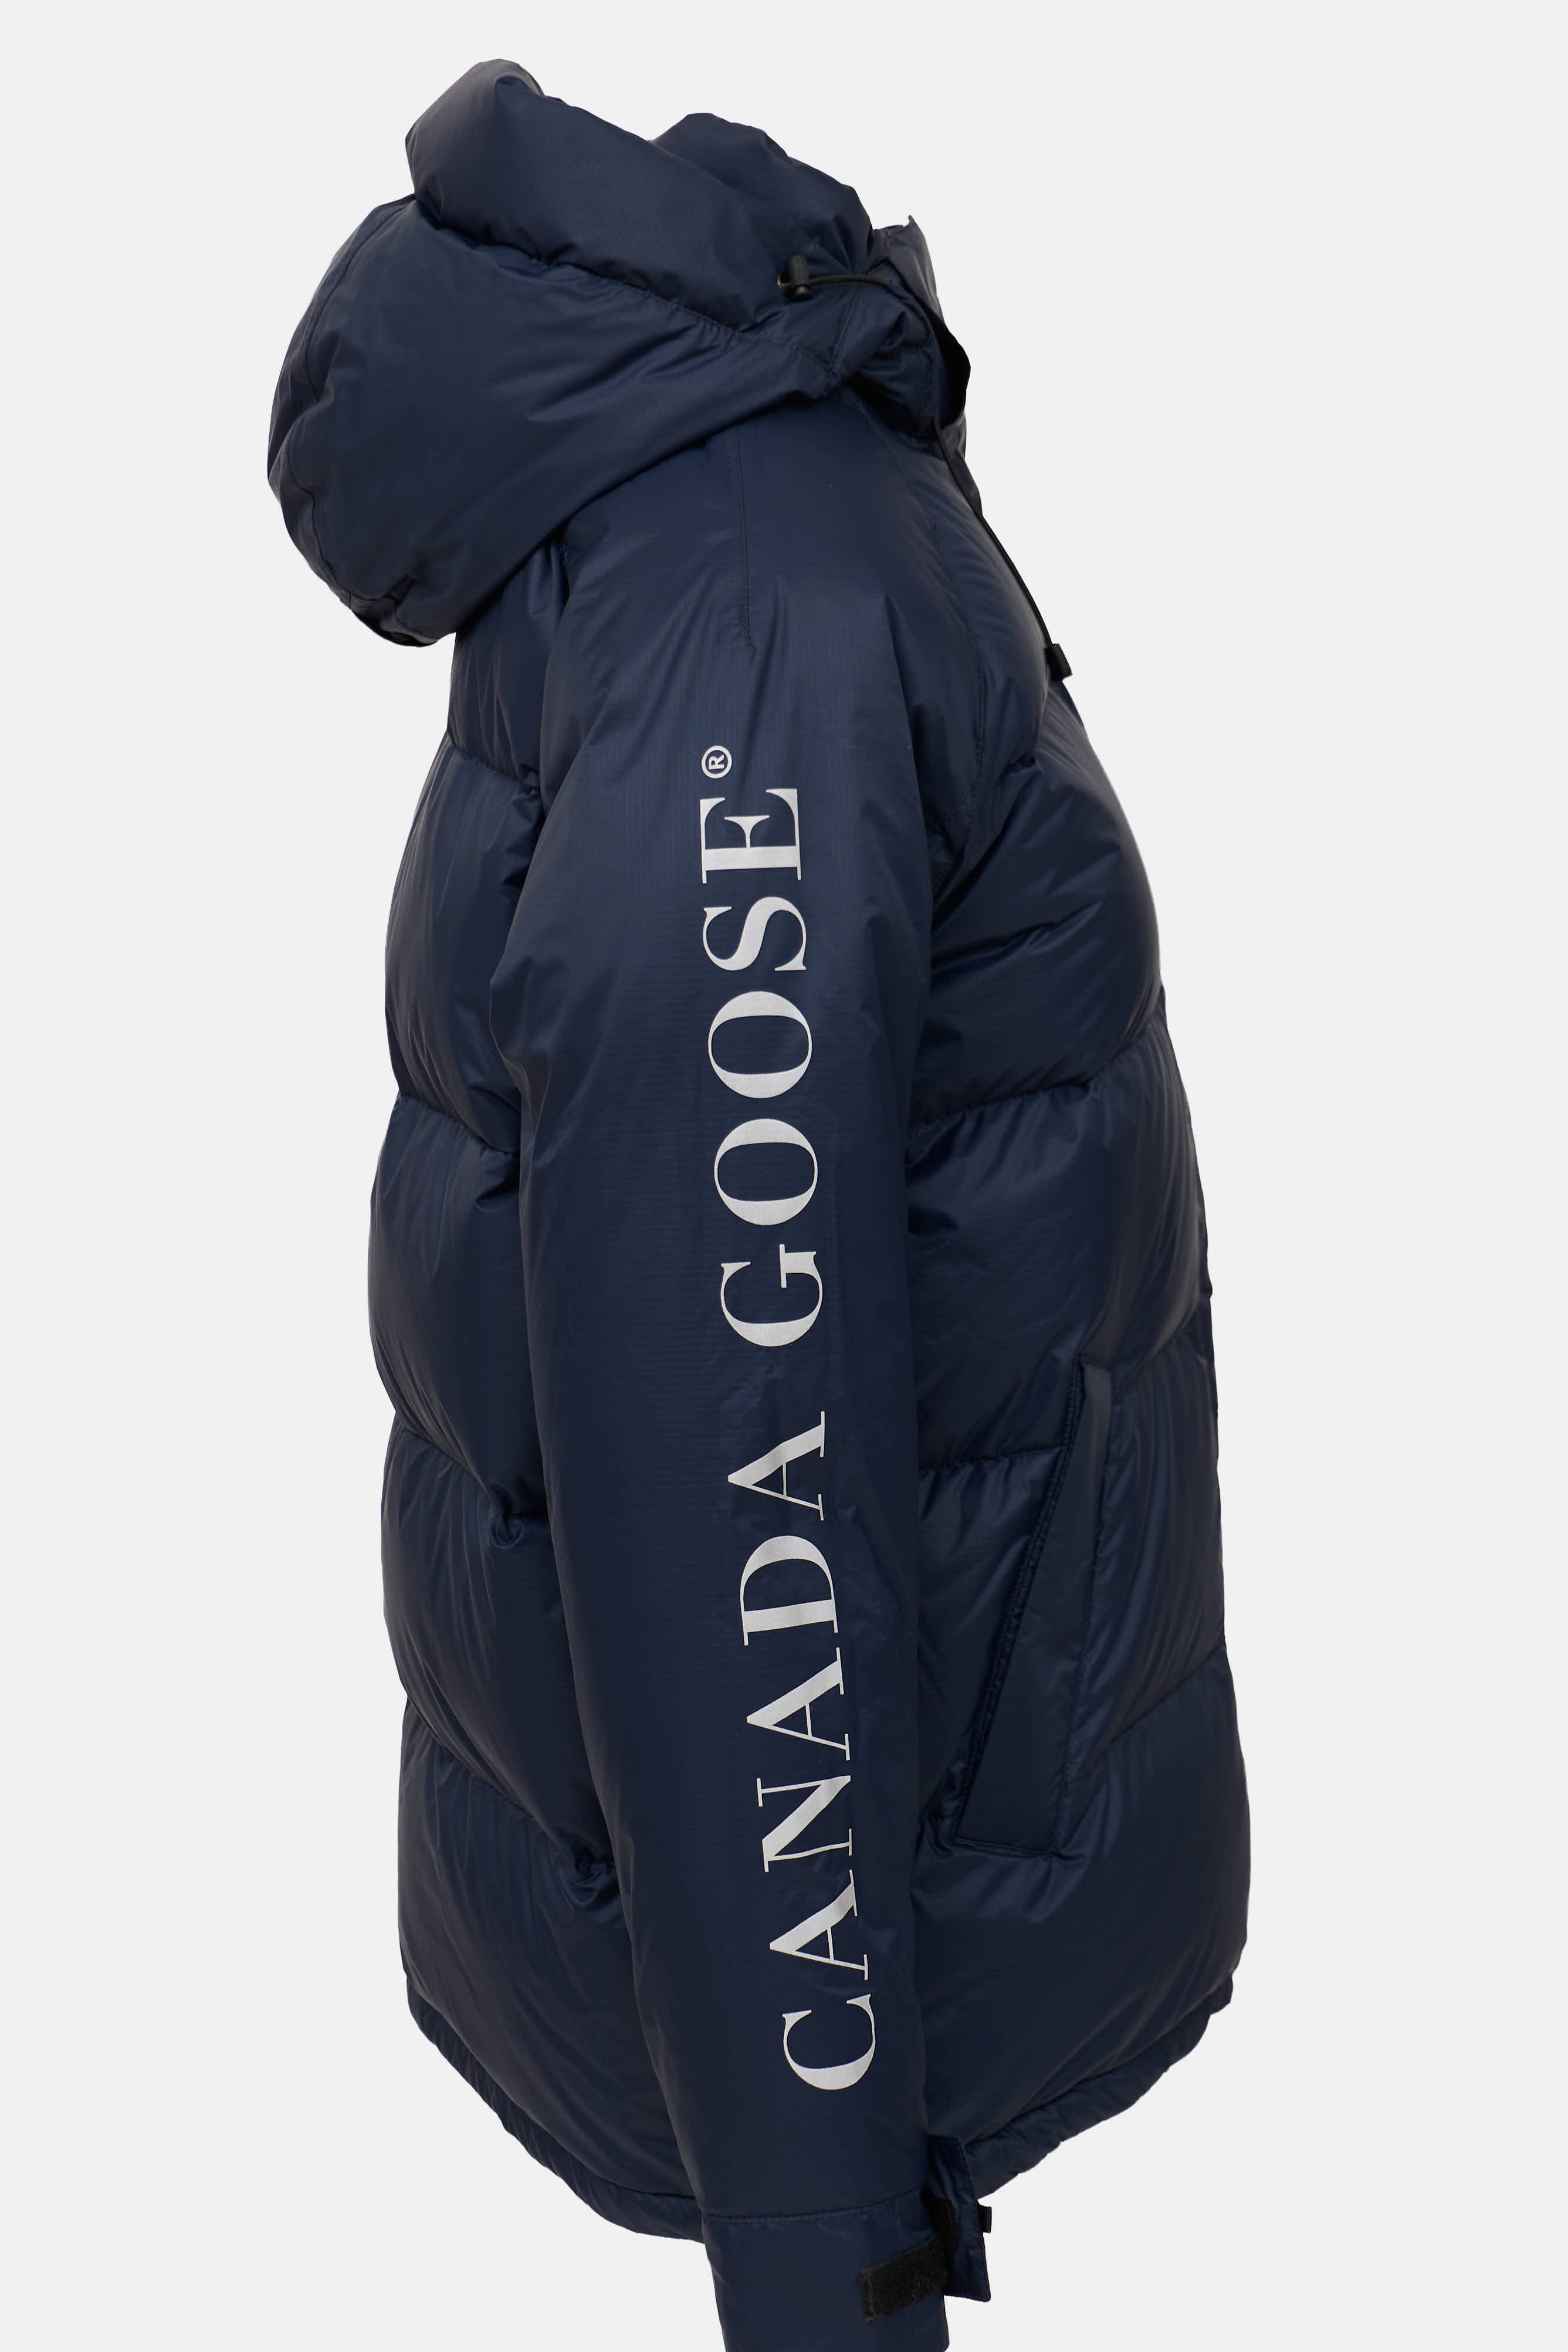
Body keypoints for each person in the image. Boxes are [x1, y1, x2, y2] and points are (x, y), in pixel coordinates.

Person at [269, 59, 1249, 2352]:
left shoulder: (726, 481)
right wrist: (837, 2265)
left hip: (844, 1910)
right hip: (868, 2010)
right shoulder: (756, 594)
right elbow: (735, 1457)